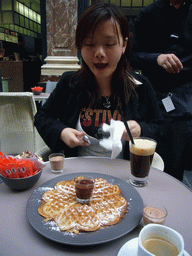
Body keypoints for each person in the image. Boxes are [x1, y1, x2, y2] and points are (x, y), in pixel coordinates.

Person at [34, 3, 162, 159]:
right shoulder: (70, 82)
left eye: (109, 44)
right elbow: (42, 117)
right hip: (78, 176)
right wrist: (62, 132)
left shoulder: (140, 87)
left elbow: (159, 128)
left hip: (123, 174)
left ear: (124, 45)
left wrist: (141, 130)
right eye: (89, 44)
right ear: (80, 46)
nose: (99, 53)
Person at [130, 0, 192, 180]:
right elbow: (134, 57)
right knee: (145, 163)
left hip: (183, 102)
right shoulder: (148, 13)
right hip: (151, 97)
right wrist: (157, 58)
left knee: (174, 167)